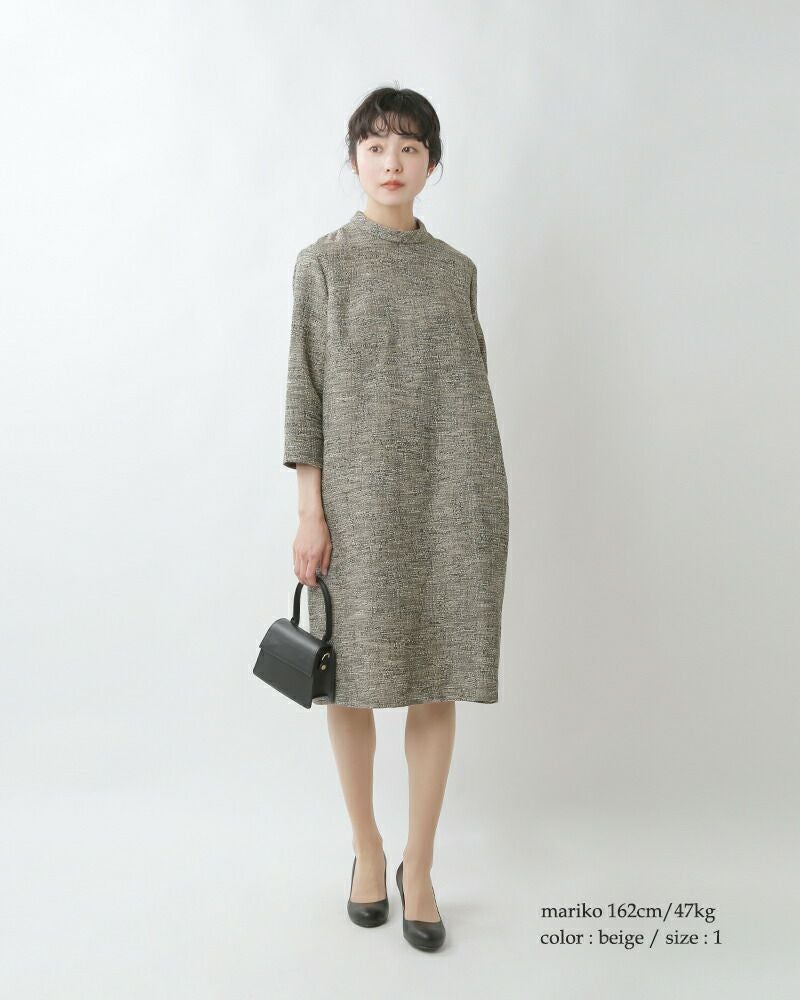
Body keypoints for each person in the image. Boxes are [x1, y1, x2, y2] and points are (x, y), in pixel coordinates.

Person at [282, 86, 509, 951]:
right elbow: (304, 395)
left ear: (431, 165)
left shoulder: (456, 270)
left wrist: (480, 504)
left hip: (454, 495)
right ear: (354, 159)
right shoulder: (322, 264)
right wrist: (311, 511)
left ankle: (422, 864)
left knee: (435, 674)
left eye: (410, 148)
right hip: (357, 506)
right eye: (376, 146)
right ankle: (368, 851)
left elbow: (468, 390)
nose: (392, 162)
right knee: (349, 678)